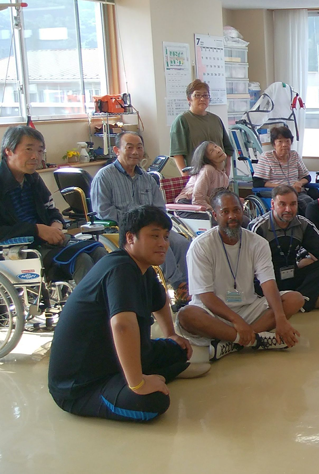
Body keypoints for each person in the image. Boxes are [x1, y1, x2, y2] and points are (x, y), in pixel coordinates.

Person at [48, 206, 198, 422]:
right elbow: (122, 325)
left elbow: (160, 300)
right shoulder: (120, 268)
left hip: (111, 358)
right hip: (81, 384)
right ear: (130, 238)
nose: (163, 243)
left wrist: (171, 334)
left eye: (165, 237)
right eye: (154, 236)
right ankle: (138, 378)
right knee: (154, 402)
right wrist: (138, 383)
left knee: (179, 350)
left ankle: (148, 374)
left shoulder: (143, 267)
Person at [176, 190, 303, 361]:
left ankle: (233, 343)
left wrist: (280, 318)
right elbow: (206, 296)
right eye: (225, 211)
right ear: (215, 215)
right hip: (212, 313)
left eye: (236, 210)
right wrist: (237, 321)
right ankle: (255, 339)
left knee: (295, 299)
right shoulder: (200, 246)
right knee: (186, 315)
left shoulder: (258, 243)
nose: (232, 216)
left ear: (242, 211)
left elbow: (268, 282)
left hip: (248, 307)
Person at [90, 132, 191, 304]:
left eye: (139, 147)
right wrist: (134, 224)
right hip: (123, 230)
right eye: (129, 147)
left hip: (152, 227)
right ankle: (178, 285)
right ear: (117, 150)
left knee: (182, 243)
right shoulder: (104, 176)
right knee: (159, 244)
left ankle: (187, 286)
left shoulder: (147, 178)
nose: (135, 152)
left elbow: (159, 208)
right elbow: (103, 211)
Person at [0, 126, 106, 284]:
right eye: (29, 149)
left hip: (46, 241)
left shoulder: (33, 179)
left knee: (98, 251)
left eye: (40, 151)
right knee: (81, 259)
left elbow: (51, 210)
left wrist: (56, 224)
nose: (35, 156)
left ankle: (113, 298)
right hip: (19, 249)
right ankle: (89, 300)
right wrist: (37, 230)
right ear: (8, 151)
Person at [251, 185, 319, 311]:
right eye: (282, 204)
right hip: (267, 281)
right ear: (272, 204)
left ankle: (299, 301)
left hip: (291, 276)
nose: (288, 209)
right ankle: (297, 301)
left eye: (293, 204)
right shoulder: (259, 228)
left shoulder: (302, 224)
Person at [169, 79, 233, 171]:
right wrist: (185, 176)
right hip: (197, 174)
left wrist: (227, 169)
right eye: (197, 95)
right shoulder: (182, 120)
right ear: (189, 99)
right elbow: (178, 154)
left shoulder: (215, 119)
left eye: (205, 95)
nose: (202, 99)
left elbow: (228, 149)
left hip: (219, 174)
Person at [253, 126, 316, 214]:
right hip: (276, 192)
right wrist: (281, 186)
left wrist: (299, 183)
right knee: (293, 205)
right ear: (274, 144)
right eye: (280, 141)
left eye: (287, 141)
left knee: (309, 204)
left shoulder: (294, 155)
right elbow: (257, 182)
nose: (284, 144)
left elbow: (307, 177)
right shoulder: (267, 157)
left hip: (295, 192)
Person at [176, 140, 229, 211]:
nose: (218, 151)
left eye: (216, 146)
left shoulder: (224, 176)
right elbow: (197, 199)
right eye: (211, 151)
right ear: (207, 159)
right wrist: (214, 212)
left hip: (203, 205)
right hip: (187, 204)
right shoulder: (208, 169)